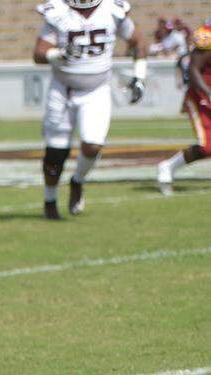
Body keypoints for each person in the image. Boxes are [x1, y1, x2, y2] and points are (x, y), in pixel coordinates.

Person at [32, 0, 147, 220]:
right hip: (62, 89)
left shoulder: (112, 10)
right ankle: (50, 200)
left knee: (93, 145)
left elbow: (138, 42)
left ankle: (78, 180)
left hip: (97, 89)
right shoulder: (58, 11)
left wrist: (139, 76)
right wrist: (58, 54)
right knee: (56, 151)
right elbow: (38, 53)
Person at [157, 22, 211, 194]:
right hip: (201, 97)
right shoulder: (206, 35)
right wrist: (208, 92)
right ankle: (168, 167)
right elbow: (194, 69)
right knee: (207, 147)